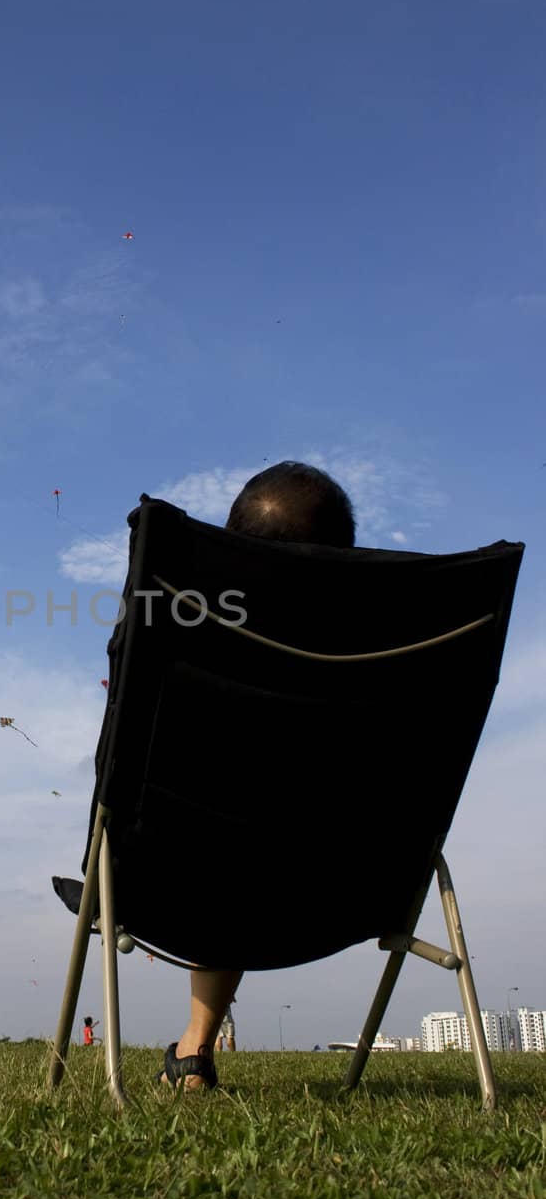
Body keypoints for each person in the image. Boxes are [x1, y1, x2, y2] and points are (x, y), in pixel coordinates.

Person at [158, 461, 356, 1091]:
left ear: (234, 539)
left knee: (219, 845)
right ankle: (196, 1045)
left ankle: (194, 1052)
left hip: (185, 877)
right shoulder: (395, 640)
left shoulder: (183, 626)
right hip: (352, 885)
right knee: (239, 846)